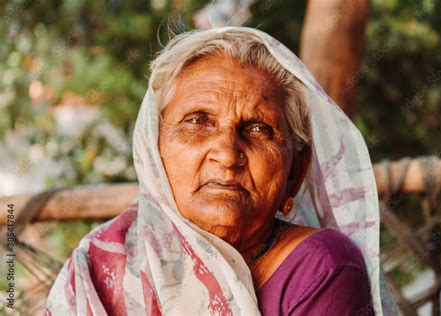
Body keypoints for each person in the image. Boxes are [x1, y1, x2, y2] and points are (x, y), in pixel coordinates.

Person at [46, 27, 391, 315]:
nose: (227, 154)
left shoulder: (322, 269)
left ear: (294, 173)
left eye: (258, 129)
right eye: (197, 121)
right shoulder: (100, 265)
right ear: (154, 153)